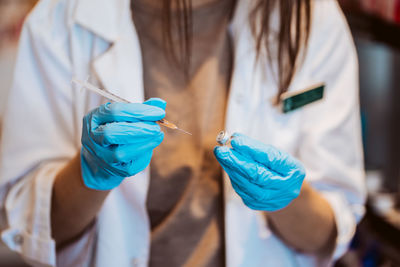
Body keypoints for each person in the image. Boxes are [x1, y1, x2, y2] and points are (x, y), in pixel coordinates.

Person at [0, 0, 366, 266]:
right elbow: (36, 227)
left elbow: (328, 232)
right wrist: (90, 173)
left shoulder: (311, 18)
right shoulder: (61, 19)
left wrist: (289, 198)